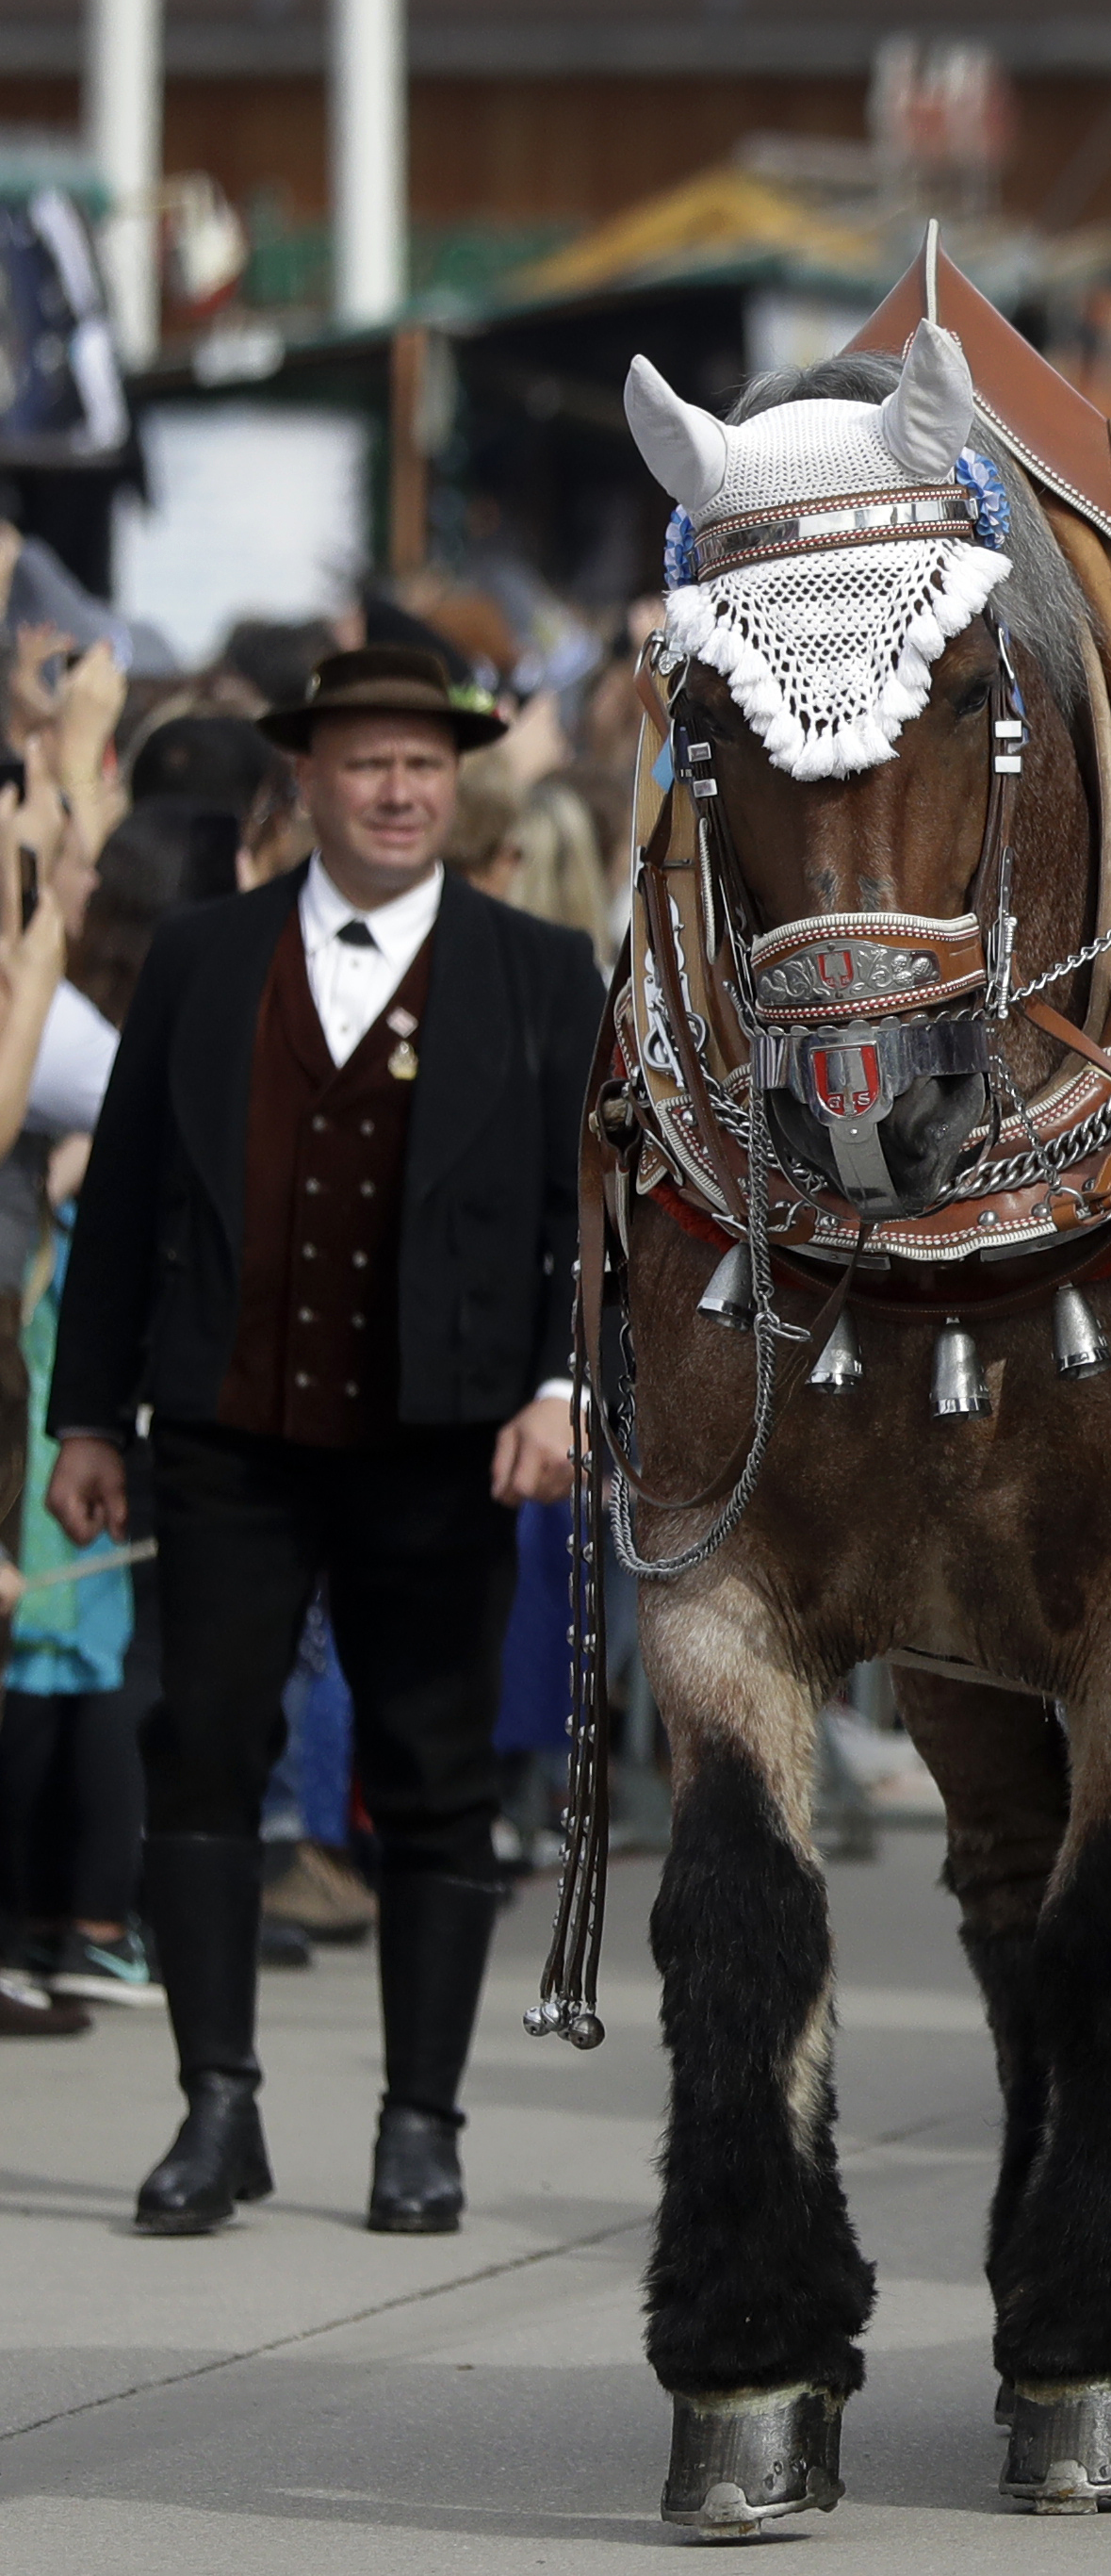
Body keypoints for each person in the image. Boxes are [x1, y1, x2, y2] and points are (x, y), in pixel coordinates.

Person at [48, 647, 601, 2239]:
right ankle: (216, 2104)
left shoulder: (539, 968)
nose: (399, 789)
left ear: (457, 781)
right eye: (366, 763)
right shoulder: (206, 959)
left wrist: (567, 1389)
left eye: (423, 763)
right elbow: (130, 1196)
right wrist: (88, 1414)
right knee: (203, 1749)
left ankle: (419, 2121)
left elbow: (591, 1221)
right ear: (304, 782)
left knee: (431, 1780)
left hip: (440, 1440)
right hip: (229, 1427)